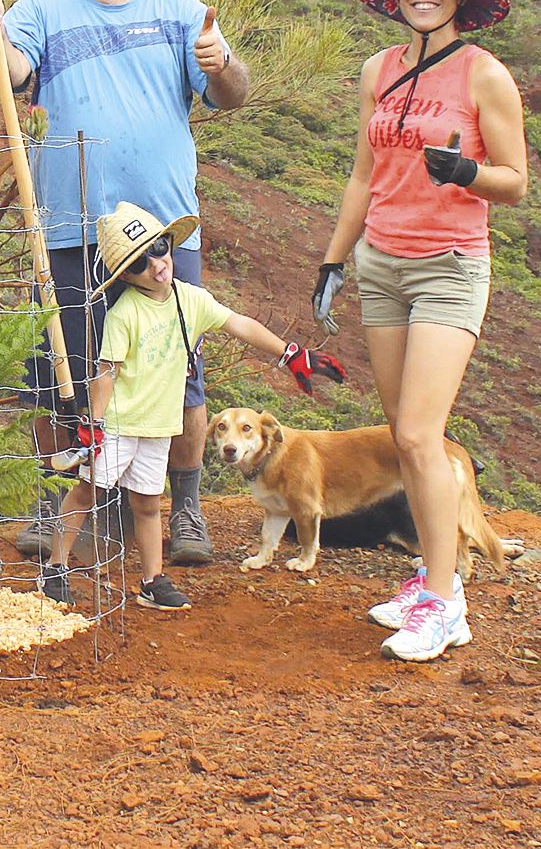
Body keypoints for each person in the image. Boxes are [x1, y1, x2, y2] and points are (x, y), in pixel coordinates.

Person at [0, 0, 251, 567]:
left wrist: (222, 62)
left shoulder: (181, 11)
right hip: (68, 225)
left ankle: (181, 504)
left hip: (164, 228)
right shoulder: (40, 8)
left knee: (175, 372)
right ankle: (51, 497)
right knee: (57, 368)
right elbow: (6, 72)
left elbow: (230, 92)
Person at [311, 0, 527, 662]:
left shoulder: (483, 74)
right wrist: (335, 260)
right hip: (383, 265)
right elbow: (365, 173)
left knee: (415, 433)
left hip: (448, 265)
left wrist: (467, 172)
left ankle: (445, 599)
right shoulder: (379, 69)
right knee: (402, 431)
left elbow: (515, 180)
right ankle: (430, 575)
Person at [39, 204, 344, 611]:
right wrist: (93, 424)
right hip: (119, 423)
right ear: (126, 275)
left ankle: (152, 580)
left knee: (148, 503)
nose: (156, 264)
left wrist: (289, 354)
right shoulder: (125, 312)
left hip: (159, 426)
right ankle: (55, 569)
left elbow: (239, 323)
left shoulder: (191, 300)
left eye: (159, 248)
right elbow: (106, 373)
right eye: (139, 262)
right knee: (87, 492)